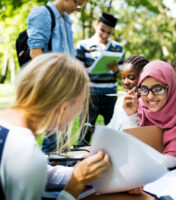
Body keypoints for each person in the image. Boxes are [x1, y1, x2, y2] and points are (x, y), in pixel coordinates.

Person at [0, 53, 110, 200]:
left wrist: (79, 172)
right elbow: (30, 167)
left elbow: (42, 172)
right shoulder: (26, 154)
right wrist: (75, 184)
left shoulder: (9, 132)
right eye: (80, 104)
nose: (78, 114)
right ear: (63, 108)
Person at [27, 0, 88, 152]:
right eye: (78, 3)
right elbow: (35, 53)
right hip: (53, 85)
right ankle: (47, 169)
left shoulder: (66, 19)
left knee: (62, 136)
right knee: (53, 136)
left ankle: (60, 166)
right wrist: (54, 84)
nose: (79, 9)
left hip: (67, 86)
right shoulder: (42, 14)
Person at [123, 60, 176, 168]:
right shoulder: (141, 107)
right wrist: (132, 115)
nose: (150, 96)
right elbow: (135, 147)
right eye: (144, 89)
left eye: (158, 89)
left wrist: (143, 168)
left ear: (171, 87)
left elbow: (173, 157)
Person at [76, 13, 125, 146]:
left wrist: (116, 70)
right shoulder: (83, 45)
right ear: (96, 25)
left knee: (113, 129)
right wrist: (91, 68)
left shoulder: (118, 48)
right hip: (90, 95)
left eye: (109, 32)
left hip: (110, 95)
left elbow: (122, 77)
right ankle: (80, 161)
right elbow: (77, 72)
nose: (104, 34)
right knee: (84, 132)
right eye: (102, 30)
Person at [107, 55, 149, 131]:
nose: (125, 82)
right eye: (123, 77)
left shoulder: (149, 104)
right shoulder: (121, 99)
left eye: (131, 78)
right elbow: (113, 123)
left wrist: (133, 114)